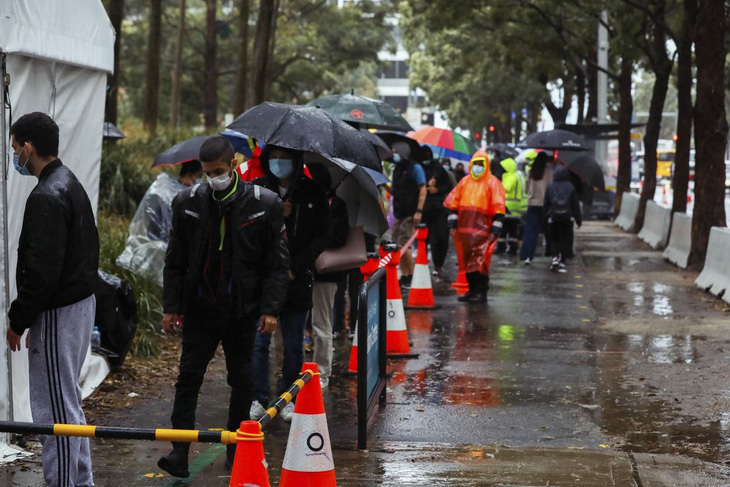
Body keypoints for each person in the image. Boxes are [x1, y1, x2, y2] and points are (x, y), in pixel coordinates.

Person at [159, 136, 289, 477]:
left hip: (241, 310)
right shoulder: (188, 202)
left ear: (234, 165)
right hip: (199, 307)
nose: (213, 178)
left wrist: (270, 309)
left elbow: (276, 264)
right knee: (188, 377)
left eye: (218, 171)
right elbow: (174, 261)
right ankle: (179, 453)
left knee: (242, 380)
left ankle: (236, 451)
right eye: (206, 173)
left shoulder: (265, 204)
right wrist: (171, 307)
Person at [7, 112, 100, 487]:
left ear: (28, 148)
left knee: (55, 409)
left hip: (60, 308)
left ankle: (63, 483)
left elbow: (41, 271)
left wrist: (20, 318)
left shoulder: (47, 194)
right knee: (67, 401)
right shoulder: (69, 182)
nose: (14, 157)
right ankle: (79, 480)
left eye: (15, 149)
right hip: (74, 306)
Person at [250, 146, 329, 422]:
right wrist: (274, 214)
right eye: (274, 157)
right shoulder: (257, 190)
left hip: (297, 282)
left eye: (285, 158)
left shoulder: (313, 192)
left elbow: (321, 236)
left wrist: (297, 267)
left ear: (296, 160)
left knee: (294, 344)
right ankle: (257, 397)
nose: (278, 163)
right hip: (264, 280)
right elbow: (246, 230)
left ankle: (288, 398)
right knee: (259, 342)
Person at [117, 160, 203, 286]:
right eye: (199, 177)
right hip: (162, 244)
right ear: (191, 176)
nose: (200, 181)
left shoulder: (168, 187)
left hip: (161, 243)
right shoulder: (178, 193)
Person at [307, 163, 349, 389]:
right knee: (309, 323)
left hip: (326, 273)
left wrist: (316, 237)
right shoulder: (305, 203)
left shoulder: (337, 205)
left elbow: (338, 237)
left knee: (321, 323)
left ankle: (323, 371)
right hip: (305, 269)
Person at [444, 150, 506, 304]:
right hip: (464, 231)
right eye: (475, 164)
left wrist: (495, 230)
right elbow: (454, 205)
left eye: (481, 164)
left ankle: (481, 292)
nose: (478, 167)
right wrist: (452, 223)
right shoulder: (464, 182)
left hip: (484, 233)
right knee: (466, 261)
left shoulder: (493, 183)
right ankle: (472, 290)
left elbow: (499, 209)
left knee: (481, 262)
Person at [388, 141, 427, 289]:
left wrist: (419, 211)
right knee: (396, 245)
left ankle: (411, 276)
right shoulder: (397, 169)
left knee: (404, 244)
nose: (394, 155)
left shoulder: (415, 168)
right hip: (399, 212)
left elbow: (423, 189)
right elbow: (394, 191)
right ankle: (404, 275)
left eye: (395, 151)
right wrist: (383, 183)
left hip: (410, 213)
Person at [420, 147, 454, 280]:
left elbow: (448, 187)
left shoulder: (438, 168)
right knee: (423, 240)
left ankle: (438, 265)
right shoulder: (418, 168)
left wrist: (437, 189)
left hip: (438, 209)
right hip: (423, 209)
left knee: (440, 239)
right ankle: (420, 268)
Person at [544, 165, 582, 272]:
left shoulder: (550, 187)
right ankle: (562, 262)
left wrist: (545, 219)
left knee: (554, 239)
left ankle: (555, 258)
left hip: (553, 217)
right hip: (567, 217)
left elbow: (546, 204)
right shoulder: (570, 187)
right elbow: (575, 204)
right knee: (566, 239)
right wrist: (578, 220)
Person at [519, 151, 554, 265]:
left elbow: (525, 189)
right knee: (548, 230)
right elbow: (551, 189)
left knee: (530, 230)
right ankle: (551, 253)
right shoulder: (549, 173)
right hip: (544, 205)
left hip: (532, 204)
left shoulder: (531, 172)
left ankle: (527, 255)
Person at [498, 157, 528, 254]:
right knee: (513, 229)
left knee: (503, 228)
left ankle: (501, 247)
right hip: (516, 207)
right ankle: (513, 247)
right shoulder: (518, 176)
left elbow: (506, 188)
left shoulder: (510, 176)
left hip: (508, 206)